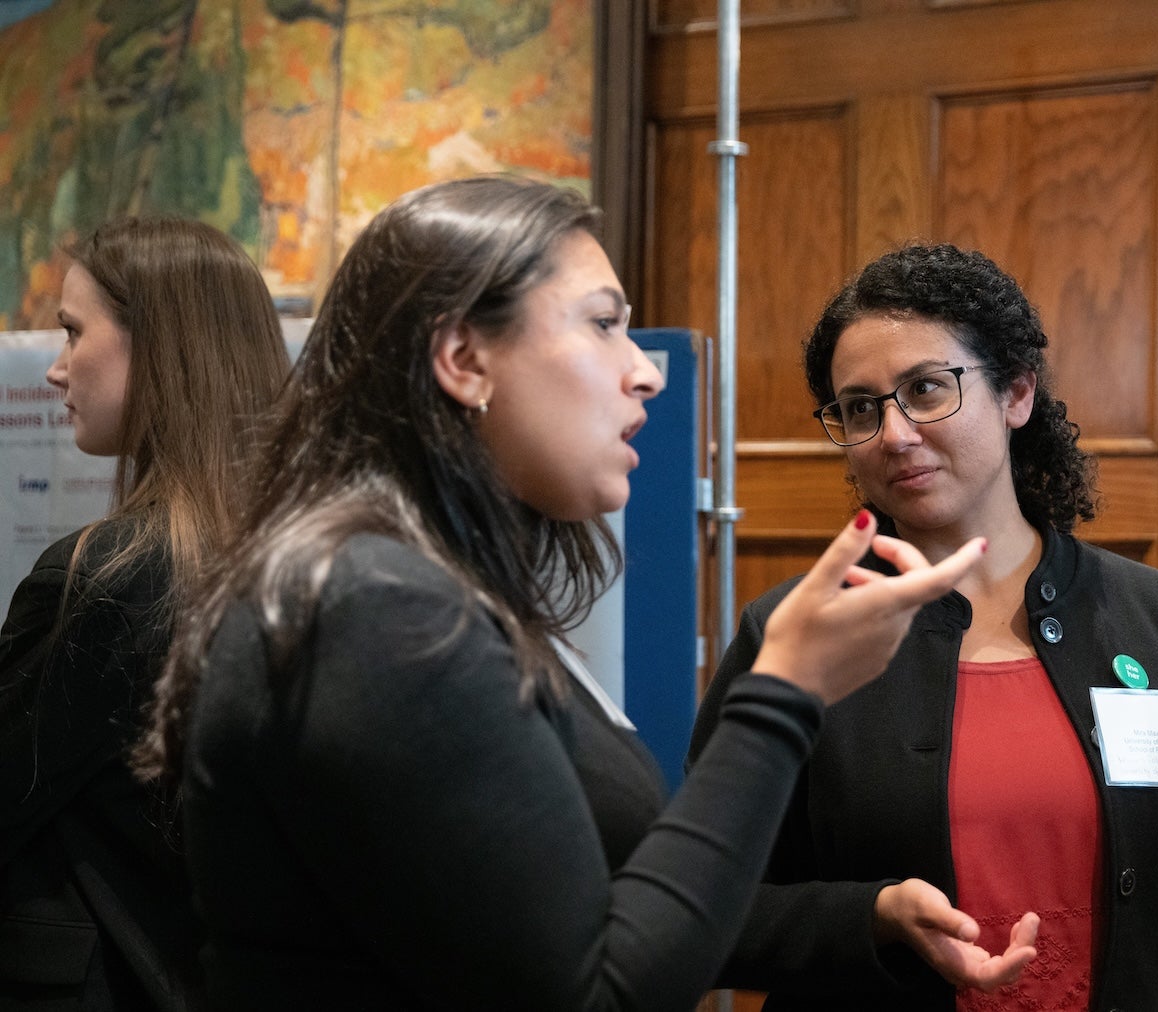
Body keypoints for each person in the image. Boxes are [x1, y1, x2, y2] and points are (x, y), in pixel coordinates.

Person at [132, 176, 1001, 1010]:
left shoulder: (425, 588)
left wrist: (866, 917)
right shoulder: (373, 606)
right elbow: (594, 992)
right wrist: (784, 693)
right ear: (464, 358)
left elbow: (616, 909)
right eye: (602, 325)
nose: (644, 371)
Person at [689, 243, 1158, 1010]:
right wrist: (869, 918)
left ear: (1016, 393)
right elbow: (699, 912)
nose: (895, 433)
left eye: (927, 389)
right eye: (861, 407)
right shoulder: (798, 634)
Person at [1, 218, 291, 1009]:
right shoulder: (305, 562)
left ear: (159, 346)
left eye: (72, 332)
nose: (57, 370)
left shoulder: (107, 577)